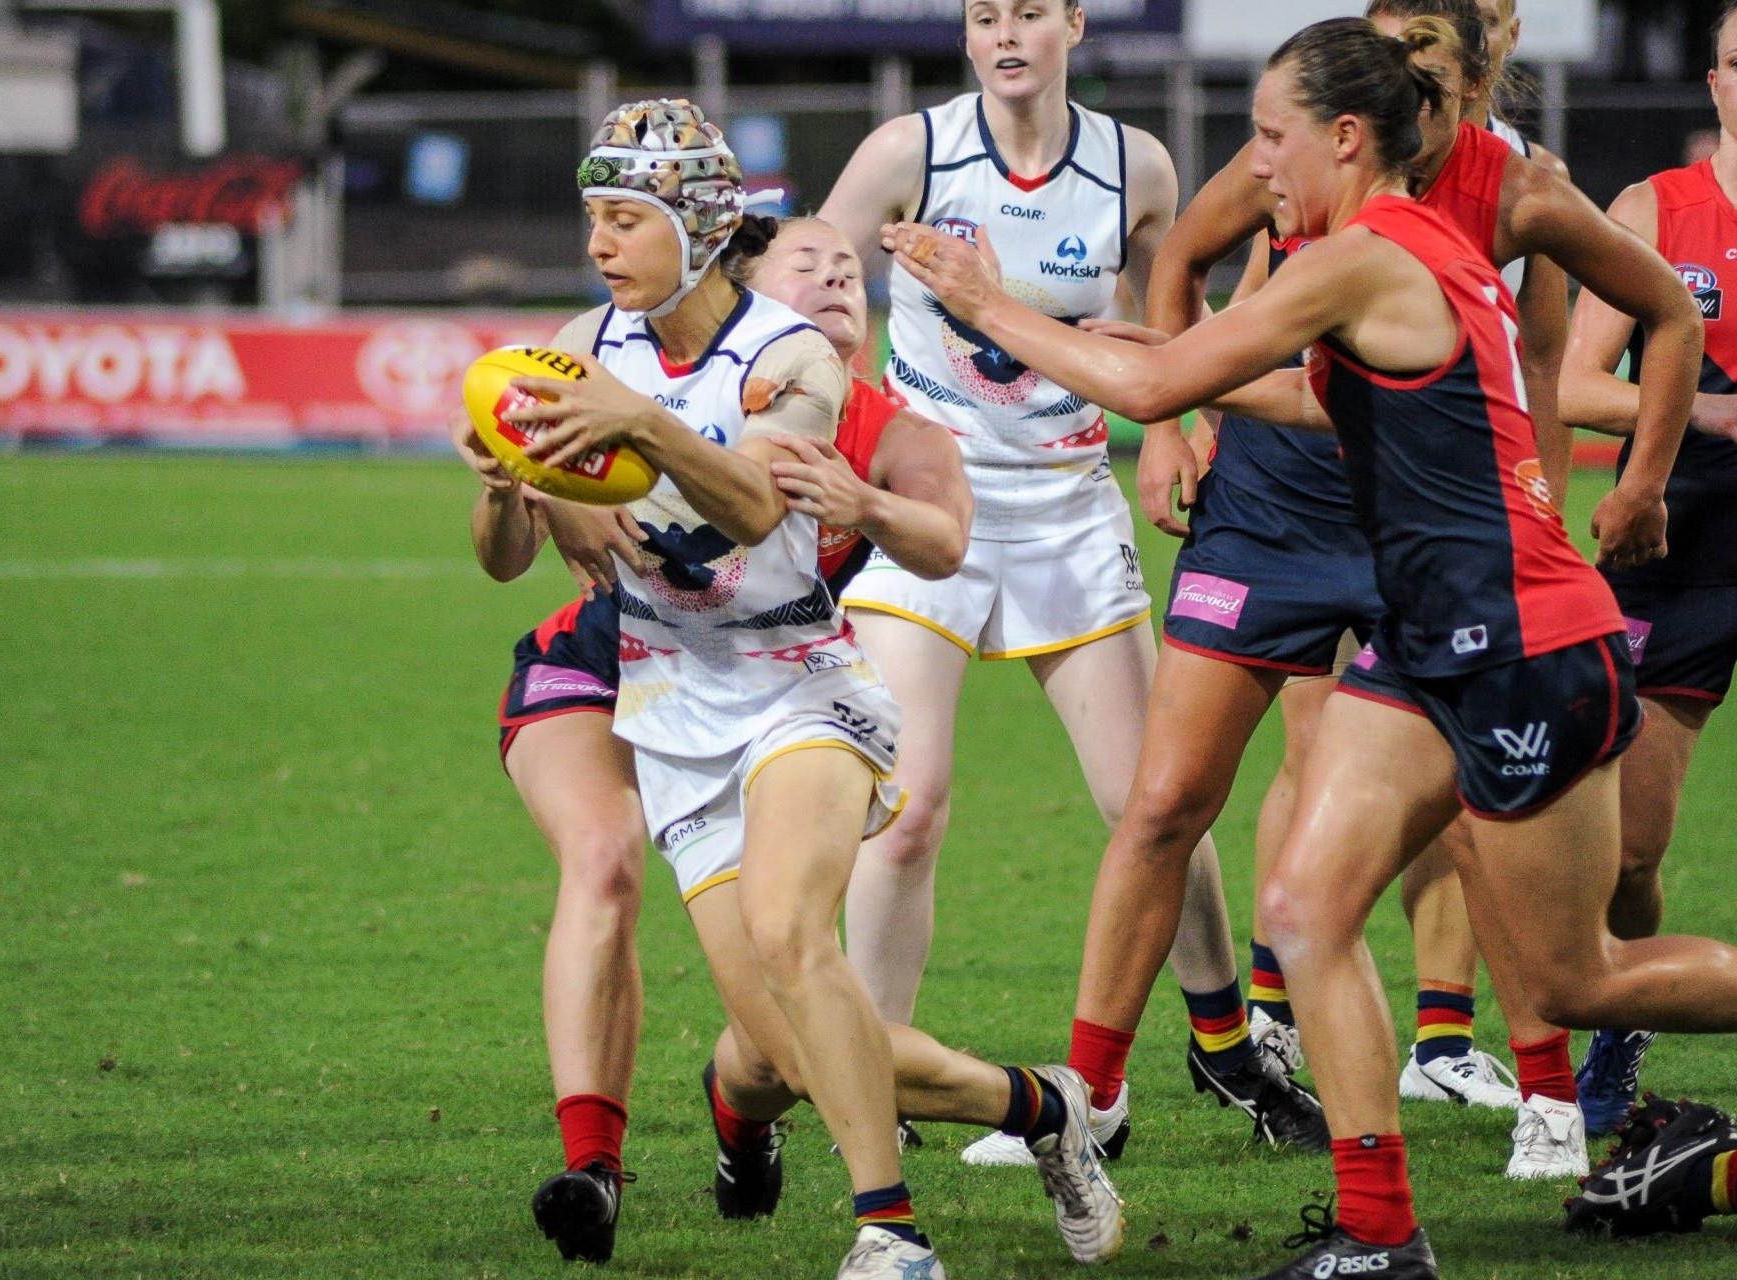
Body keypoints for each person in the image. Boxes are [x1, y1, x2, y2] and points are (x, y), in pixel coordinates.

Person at [886, 16, 1737, 1277]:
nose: (1258, 162)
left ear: (1346, 136)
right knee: (1304, 903)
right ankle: (1379, 1230)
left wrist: (986, 301)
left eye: (1274, 136)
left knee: (1576, 978)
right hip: (1425, 639)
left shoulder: (1371, 252)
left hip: (1521, 643)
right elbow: (1291, 390)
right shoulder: (1390, 244)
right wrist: (1163, 357)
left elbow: (1148, 396)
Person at [475, 98, 1120, 1279]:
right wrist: (508, 485)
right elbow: (515, 557)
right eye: (593, 219)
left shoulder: (787, 355)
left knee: (787, 926)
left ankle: (892, 1229)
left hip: (797, 675)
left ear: (702, 224)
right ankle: (1042, 1108)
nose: (600, 243)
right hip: (668, 695)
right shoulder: (584, 343)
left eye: (626, 218)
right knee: (780, 1049)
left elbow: (757, 506)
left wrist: (642, 428)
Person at [1117, 0, 1652, 1181]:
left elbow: (1547, 366)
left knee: (1524, 893)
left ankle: (1530, 1079)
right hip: (1303, 515)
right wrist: (1178, 415)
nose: (1408, 79)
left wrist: (1581, 493)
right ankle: (1352, 1177)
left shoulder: (1495, 196)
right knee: (1294, 853)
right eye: (1390, 49)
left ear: (1471, 79)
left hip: (1460, 566)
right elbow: (1195, 283)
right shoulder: (1307, 173)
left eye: (1430, 61)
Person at [821, 0, 1324, 1169]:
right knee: (909, 808)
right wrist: (826, 382)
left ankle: (1222, 1037)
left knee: (1157, 799)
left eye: (1030, 12)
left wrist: (1182, 427)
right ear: (964, 34)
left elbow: (1182, 305)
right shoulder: (912, 152)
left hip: (1066, 505)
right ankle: (878, 1062)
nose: (1006, 33)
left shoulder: (1133, 163)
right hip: (930, 506)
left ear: (1074, 25)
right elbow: (813, 271)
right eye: (985, 14)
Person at [467, 213, 975, 1264]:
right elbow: (510, 538)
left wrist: (868, 503)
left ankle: (778, 1122)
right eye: (808, 264)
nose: (838, 281)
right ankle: (593, 1166)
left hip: (761, 677)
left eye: (850, 267)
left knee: (778, 1036)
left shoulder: (882, 421)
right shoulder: (614, 355)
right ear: (736, 280)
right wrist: (533, 492)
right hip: (616, 655)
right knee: (603, 859)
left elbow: (939, 543)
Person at [1561, 0, 1737, 1139]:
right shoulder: (1650, 212)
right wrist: (1709, 410)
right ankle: (1627, 1011)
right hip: (1682, 547)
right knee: (1627, 848)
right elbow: (1576, 386)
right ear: (1715, 79)